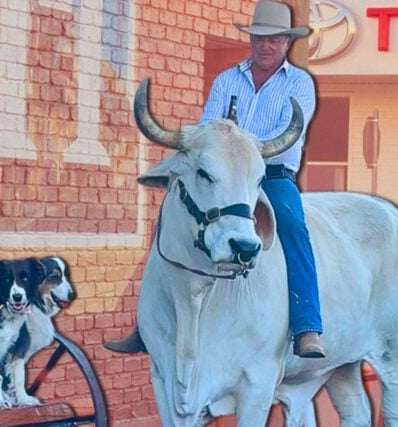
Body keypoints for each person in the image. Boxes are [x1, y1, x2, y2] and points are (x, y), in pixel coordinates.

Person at [104, 0, 325, 358]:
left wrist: (235, 141)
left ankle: (307, 326)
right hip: (221, 173)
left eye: (274, 40)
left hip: (269, 174)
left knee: (294, 227)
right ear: (251, 40)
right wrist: (215, 147)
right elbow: (209, 127)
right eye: (259, 38)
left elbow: (286, 137)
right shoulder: (227, 80)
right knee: (171, 214)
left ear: (287, 42)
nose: (265, 46)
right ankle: (146, 326)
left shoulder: (299, 83)